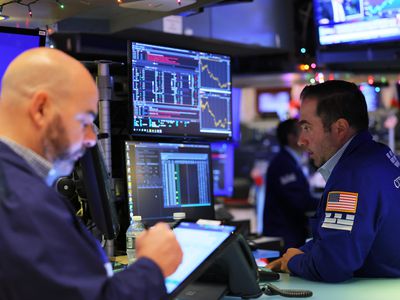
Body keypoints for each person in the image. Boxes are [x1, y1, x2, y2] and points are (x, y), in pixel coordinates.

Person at [0, 47, 183, 299]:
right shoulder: (24, 202)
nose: (90, 140)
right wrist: (152, 265)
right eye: (84, 122)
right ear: (41, 108)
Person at [268, 80, 400, 282]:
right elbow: (338, 239)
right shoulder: (379, 154)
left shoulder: (351, 175)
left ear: (339, 128)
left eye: (307, 127)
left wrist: (293, 261)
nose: (302, 140)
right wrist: (300, 252)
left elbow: (332, 265)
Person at [263, 118, 318, 250]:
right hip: (284, 238)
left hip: (290, 235)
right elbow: (299, 201)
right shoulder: (283, 164)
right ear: (292, 137)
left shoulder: (290, 162)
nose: (308, 137)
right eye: (303, 131)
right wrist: (329, 202)